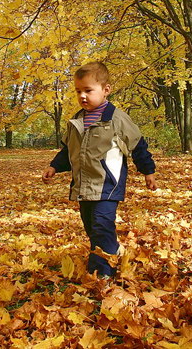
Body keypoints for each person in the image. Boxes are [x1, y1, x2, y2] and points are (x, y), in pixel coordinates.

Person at [42, 62, 157, 278]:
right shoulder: (77, 120)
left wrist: (148, 171)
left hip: (108, 185)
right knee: (92, 227)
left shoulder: (117, 119)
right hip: (83, 186)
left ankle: (102, 272)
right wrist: (54, 167)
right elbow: (69, 151)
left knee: (101, 224)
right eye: (78, 91)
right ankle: (111, 251)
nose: (82, 96)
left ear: (106, 90)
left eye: (88, 90)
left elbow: (138, 145)